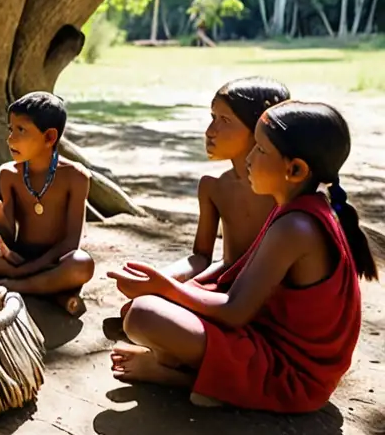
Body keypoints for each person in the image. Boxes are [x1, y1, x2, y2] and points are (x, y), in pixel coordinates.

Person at [108, 102, 375, 413]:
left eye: (260, 150)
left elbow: (234, 311)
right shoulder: (296, 209)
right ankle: (195, 370)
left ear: (296, 169)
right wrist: (171, 292)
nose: (248, 158)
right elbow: (238, 293)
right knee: (144, 313)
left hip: (292, 377)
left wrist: (164, 288)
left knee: (144, 314)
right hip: (265, 341)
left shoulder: (296, 227)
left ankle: (176, 376)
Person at [0, 92, 94, 314]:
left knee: (81, 264)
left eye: (21, 130)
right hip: (19, 256)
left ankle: (13, 285)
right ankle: (43, 288)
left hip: (54, 260)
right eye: (11, 129)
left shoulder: (76, 177)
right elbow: (10, 236)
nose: (10, 139)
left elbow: (71, 242)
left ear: (49, 137)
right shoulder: (9, 173)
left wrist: (23, 271)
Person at [162, 77, 290, 282]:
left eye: (225, 120)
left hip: (266, 295)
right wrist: (163, 278)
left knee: (144, 310)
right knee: (135, 306)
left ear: (260, 129)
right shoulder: (213, 187)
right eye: (213, 117)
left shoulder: (284, 192)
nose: (210, 131)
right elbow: (202, 258)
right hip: (230, 285)